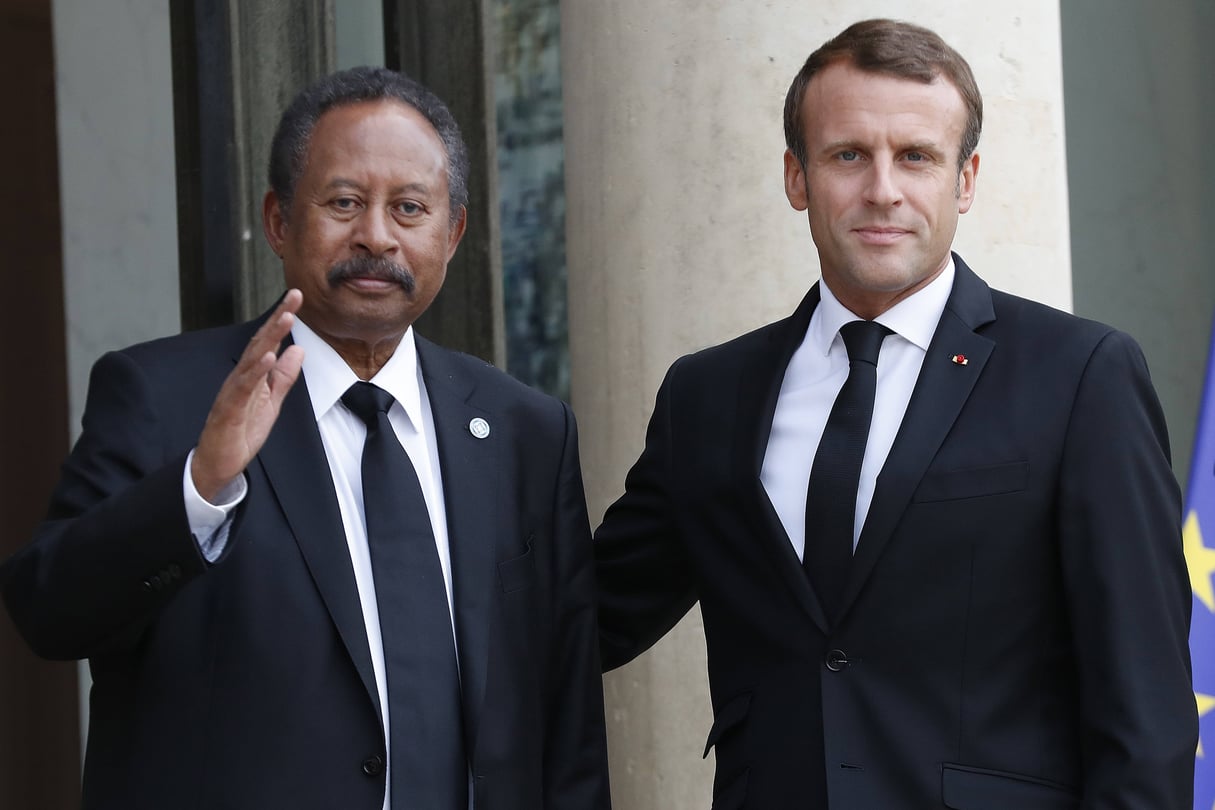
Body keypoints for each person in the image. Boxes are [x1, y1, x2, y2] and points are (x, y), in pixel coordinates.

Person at [593, 18, 1196, 809]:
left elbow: (1144, 707)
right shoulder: (707, 395)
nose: (883, 189)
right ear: (796, 177)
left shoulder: (1079, 376)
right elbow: (583, 621)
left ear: (965, 179)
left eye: (916, 156)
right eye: (848, 155)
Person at [0, 66, 610, 810]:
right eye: (344, 202)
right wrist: (198, 488)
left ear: (452, 234)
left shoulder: (524, 431)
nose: (376, 236)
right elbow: (49, 611)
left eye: (410, 208)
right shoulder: (166, 397)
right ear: (280, 220)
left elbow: (566, 713)